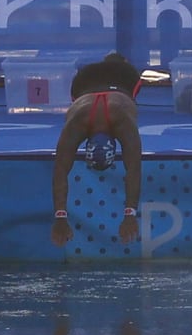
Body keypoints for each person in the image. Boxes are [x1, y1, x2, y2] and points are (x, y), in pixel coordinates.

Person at [51, 52, 143, 246]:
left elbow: (61, 171)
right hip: (91, 88)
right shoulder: (85, 120)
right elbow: (132, 170)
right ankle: (113, 60)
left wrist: (61, 217)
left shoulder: (114, 118)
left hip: (107, 84)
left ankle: (112, 61)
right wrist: (129, 213)